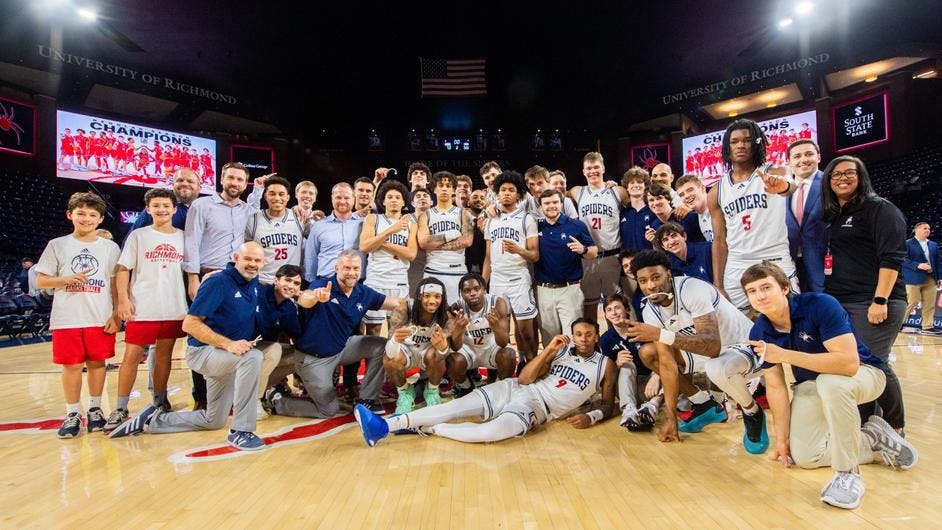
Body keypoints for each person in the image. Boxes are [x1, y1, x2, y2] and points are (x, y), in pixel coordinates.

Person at [742, 262, 917, 510]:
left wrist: (784, 355)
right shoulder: (760, 331)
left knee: (831, 382)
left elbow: (848, 364)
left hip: (865, 373)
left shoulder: (820, 304)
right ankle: (871, 438)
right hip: (812, 383)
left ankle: (848, 474)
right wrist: (781, 439)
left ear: (784, 288)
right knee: (806, 457)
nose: (760, 296)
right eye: (752, 291)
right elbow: (776, 387)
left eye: (766, 287)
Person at [353, 319, 617, 446]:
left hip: (538, 408)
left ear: (597, 337)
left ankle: (429, 428)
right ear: (573, 336)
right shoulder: (560, 351)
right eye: (578, 334)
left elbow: (608, 404)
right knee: (453, 408)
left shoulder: (605, 364)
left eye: (589, 334)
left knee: (488, 434)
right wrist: (548, 350)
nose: (583, 339)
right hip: (516, 388)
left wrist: (592, 417)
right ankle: (383, 427)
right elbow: (525, 378)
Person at [109, 242, 268, 451]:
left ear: (263, 263)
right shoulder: (218, 282)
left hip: (228, 358)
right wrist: (228, 344)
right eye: (248, 259)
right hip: (204, 352)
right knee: (253, 357)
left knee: (213, 420)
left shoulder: (254, 283)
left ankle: (152, 420)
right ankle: (241, 430)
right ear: (236, 258)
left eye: (257, 260)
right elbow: (190, 324)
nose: (253, 264)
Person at [627, 250, 766, 452]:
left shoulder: (691, 289)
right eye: (643, 281)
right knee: (649, 353)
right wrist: (671, 417)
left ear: (668, 273)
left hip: (745, 347)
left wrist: (661, 334)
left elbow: (712, 346)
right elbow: (667, 364)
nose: (650, 286)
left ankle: (752, 411)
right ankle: (704, 404)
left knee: (716, 365)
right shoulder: (650, 310)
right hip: (714, 355)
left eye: (656, 277)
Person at [821, 155, 909, 434]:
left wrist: (880, 300)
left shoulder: (880, 208)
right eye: (836, 174)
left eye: (850, 172)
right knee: (853, 365)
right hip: (843, 302)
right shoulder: (835, 215)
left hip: (874, 301)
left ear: (861, 177)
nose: (842, 178)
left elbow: (892, 257)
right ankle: (868, 424)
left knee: (873, 362)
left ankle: (895, 427)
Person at [268, 250, 407, 417]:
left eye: (356, 268)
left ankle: (367, 400)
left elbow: (395, 303)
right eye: (347, 268)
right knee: (328, 410)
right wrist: (316, 298)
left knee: (382, 345)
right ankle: (276, 400)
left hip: (341, 349)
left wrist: (421, 304)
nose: (351, 273)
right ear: (337, 269)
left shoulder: (363, 292)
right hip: (314, 359)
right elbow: (305, 299)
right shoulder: (321, 285)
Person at [34, 192, 121, 438]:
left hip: (99, 315)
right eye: (81, 213)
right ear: (70, 215)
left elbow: (115, 284)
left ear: (100, 219)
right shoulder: (57, 244)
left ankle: (95, 409)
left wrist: (117, 314)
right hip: (67, 317)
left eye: (92, 215)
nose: (86, 219)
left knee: (97, 364)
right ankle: (72, 412)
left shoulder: (110, 247)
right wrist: (64, 279)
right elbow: (41, 281)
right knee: (71, 366)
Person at [104, 189, 187, 433]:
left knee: (164, 356)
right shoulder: (139, 235)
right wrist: (122, 300)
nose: (161, 209)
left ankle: (160, 401)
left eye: (166, 205)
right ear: (148, 209)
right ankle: (120, 408)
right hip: (142, 306)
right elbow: (122, 269)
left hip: (172, 306)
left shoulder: (183, 237)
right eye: (156, 205)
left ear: (174, 209)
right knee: (131, 356)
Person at [183, 162, 260, 410]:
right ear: (222, 179)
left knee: (232, 332)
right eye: (231, 178)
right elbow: (191, 240)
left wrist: (259, 190)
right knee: (201, 331)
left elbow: (258, 211)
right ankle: (201, 397)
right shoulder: (202, 205)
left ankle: (225, 395)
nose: (235, 183)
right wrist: (192, 277)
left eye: (240, 180)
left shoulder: (247, 210)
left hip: (236, 275)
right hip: (208, 276)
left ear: (245, 184)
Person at [707, 119, 797, 309]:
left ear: (757, 143)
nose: (741, 145)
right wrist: (718, 284)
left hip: (774, 257)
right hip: (737, 263)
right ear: (727, 147)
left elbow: (790, 186)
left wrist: (783, 186)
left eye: (747, 140)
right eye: (734, 141)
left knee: (790, 315)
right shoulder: (716, 191)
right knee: (736, 322)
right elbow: (719, 240)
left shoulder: (776, 171)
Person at [483, 171, 540, 361]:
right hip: (497, 279)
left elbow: (534, 255)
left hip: (518, 277)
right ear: (497, 194)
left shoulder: (527, 218)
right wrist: (483, 283)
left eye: (511, 190)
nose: (506, 193)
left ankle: (529, 364)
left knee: (526, 332)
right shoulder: (491, 220)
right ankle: (505, 369)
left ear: (518, 194)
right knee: (500, 331)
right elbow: (488, 257)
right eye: (503, 190)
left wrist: (519, 250)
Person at [569, 152, 629, 321]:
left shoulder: (618, 191)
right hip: (588, 258)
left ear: (603, 168)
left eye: (596, 167)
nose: (592, 171)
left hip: (612, 257)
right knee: (589, 306)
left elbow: (639, 204)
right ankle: (593, 339)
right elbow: (555, 195)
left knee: (614, 307)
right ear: (583, 171)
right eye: (589, 168)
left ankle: (614, 338)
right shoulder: (577, 191)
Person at [535, 189, 598, 340]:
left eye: (555, 202)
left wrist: (583, 249)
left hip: (570, 289)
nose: (551, 206)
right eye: (547, 203)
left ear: (561, 203)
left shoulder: (576, 225)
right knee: (549, 339)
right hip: (544, 290)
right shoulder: (535, 226)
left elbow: (594, 251)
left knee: (572, 337)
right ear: (540, 206)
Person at [383, 278, 453, 413]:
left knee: (437, 355)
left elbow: (445, 355)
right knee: (390, 359)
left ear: (442, 298)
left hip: (427, 353)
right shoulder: (403, 308)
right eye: (427, 296)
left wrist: (442, 348)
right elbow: (390, 353)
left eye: (437, 296)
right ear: (419, 296)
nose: (432, 301)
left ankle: (432, 391)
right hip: (405, 351)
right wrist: (395, 340)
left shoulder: (446, 315)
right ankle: (404, 393)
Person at [360, 180, 418, 336]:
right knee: (373, 330)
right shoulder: (373, 219)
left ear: (404, 202)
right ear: (383, 201)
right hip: (376, 280)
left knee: (397, 330)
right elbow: (364, 246)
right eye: (390, 197)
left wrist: (380, 242)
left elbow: (411, 254)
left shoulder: (411, 224)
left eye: (398, 197)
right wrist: (392, 230)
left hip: (399, 281)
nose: (394, 200)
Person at [446, 273, 516, 397]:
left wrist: (497, 328)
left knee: (509, 355)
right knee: (452, 360)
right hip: (469, 351)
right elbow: (455, 347)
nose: (472, 293)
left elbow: (504, 342)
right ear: (461, 294)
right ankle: (466, 387)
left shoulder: (497, 303)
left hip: (491, 348)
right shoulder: (456, 308)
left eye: (476, 289)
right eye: (467, 291)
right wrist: (459, 330)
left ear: (484, 289)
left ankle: (498, 388)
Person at [600, 293, 661, 431]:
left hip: (651, 386)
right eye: (609, 310)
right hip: (627, 388)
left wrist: (656, 375)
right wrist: (616, 363)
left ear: (627, 309)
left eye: (617, 308)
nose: (614, 313)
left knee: (673, 368)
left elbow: (664, 356)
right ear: (606, 315)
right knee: (627, 363)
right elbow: (606, 376)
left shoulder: (643, 329)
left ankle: (652, 407)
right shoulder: (605, 339)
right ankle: (629, 410)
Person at [254, 265, 303, 419]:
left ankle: (264, 388)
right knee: (274, 349)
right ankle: (251, 401)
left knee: (301, 356)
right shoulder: (258, 292)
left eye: (296, 283)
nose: (291, 286)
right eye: (287, 280)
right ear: (276, 281)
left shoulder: (289, 307)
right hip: (237, 348)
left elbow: (299, 337)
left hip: (260, 352)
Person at [418, 171, 474, 302]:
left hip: (457, 270)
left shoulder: (464, 213)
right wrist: (453, 234)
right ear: (434, 189)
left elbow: (467, 240)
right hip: (433, 270)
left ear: (453, 190)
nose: (444, 189)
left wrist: (436, 243)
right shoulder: (425, 215)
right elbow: (424, 242)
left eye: (448, 186)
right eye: (440, 185)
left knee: (456, 312)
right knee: (431, 311)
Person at [785, 140, 827, 293]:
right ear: (789, 162)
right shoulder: (781, 190)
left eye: (809, 154)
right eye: (797, 156)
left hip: (824, 262)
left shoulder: (830, 183)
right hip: (792, 264)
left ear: (818, 157)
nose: (803, 160)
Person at [245, 176, 305, 284]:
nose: (277, 198)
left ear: (288, 197)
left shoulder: (299, 217)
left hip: (289, 283)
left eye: (281, 194)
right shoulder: (254, 219)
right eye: (272, 194)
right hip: (262, 281)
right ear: (265, 196)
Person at [303, 182, 364, 282]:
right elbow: (311, 256)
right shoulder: (319, 226)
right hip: (325, 281)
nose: (342, 201)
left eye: (346, 198)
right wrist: (312, 283)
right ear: (332, 199)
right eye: (338, 197)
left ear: (354, 199)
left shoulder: (363, 224)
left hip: (357, 282)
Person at [126, 167, 200, 234]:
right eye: (180, 180)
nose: (184, 183)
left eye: (190, 181)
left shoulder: (203, 212)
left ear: (199, 188)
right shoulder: (155, 210)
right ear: (173, 185)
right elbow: (132, 240)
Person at [902, 222, 941, 333]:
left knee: (929, 304)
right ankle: (898, 324)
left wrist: (940, 277)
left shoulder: (933, 244)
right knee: (912, 302)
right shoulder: (907, 243)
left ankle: (927, 326)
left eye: (929, 228)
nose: (928, 230)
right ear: (916, 230)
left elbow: (938, 262)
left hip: (931, 278)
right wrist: (918, 265)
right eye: (925, 228)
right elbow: (902, 259)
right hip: (913, 278)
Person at [674, 174, 713, 242]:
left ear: (703, 188)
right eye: (682, 195)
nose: (686, 196)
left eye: (690, 190)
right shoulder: (696, 217)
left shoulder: (720, 207)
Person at [407, 187, 432, 293]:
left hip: (434, 266)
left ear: (431, 202)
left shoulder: (438, 219)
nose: (422, 198)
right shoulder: (405, 220)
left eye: (425, 196)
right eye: (418, 196)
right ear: (412, 203)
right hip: (411, 268)